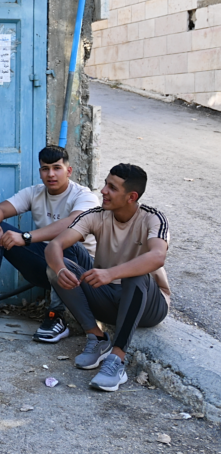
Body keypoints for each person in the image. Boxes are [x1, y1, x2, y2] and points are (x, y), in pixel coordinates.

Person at [0, 145, 100, 342]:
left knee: (64, 243)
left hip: (81, 272)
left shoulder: (84, 196)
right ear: (40, 172)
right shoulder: (35, 193)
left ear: (68, 171)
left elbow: (73, 225)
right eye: (45, 169)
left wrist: (26, 237)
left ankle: (57, 317)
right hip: (47, 267)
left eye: (57, 168)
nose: (51, 174)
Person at [45, 164, 169, 392]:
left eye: (112, 187)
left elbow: (157, 256)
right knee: (54, 268)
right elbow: (55, 245)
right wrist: (61, 271)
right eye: (105, 184)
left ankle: (117, 360)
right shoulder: (96, 216)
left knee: (135, 275)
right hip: (109, 297)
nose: (103, 191)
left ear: (131, 196)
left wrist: (111, 273)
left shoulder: (152, 218)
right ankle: (97, 338)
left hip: (149, 306)